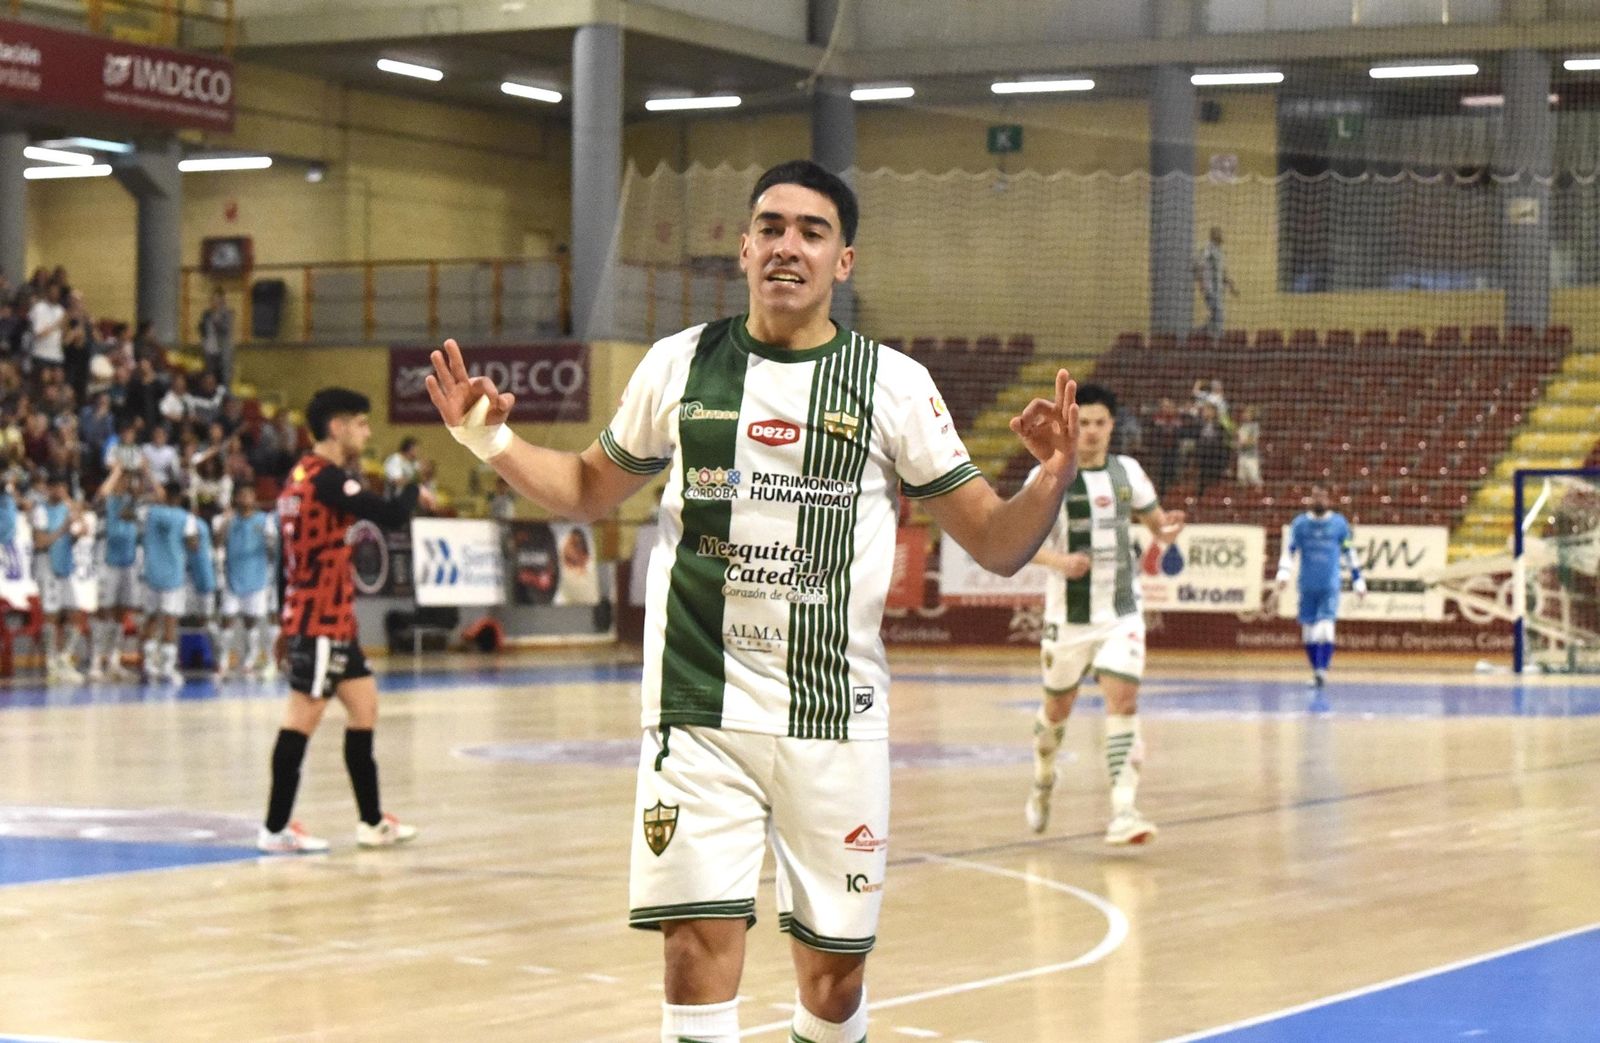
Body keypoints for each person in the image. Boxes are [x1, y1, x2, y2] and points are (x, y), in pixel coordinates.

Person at [426, 159, 1081, 1043]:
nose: (787, 246)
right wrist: (488, 436)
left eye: (812, 232)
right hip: (698, 707)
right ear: (743, 249)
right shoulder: (678, 363)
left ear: (843, 261)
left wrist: (1049, 478)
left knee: (834, 982)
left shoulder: (891, 384)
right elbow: (584, 489)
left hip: (835, 717)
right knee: (694, 953)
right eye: (770, 228)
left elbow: (998, 544)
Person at [259, 387, 433, 854]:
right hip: (319, 622)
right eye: (360, 423)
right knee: (301, 718)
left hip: (330, 621)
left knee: (364, 707)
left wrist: (284, 620)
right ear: (336, 428)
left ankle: (371, 822)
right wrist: (414, 488)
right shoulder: (327, 479)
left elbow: (285, 562)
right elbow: (392, 515)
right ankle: (275, 829)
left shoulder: (299, 475)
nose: (367, 432)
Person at [1024, 383, 1185, 846]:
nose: (1092, 432)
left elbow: (1157, 527)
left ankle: (1124, 810)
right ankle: (1043, 777)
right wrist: (1061, 562)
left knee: (1124, 703)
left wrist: (1169, 531)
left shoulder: (1128, 472)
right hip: (1068, 619)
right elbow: (1022, 544)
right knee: (1056, 713)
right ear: (1072, 427)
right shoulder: (1047, 475)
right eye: (1085, 423)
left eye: (1100, 423)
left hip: (1121, 612)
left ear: (1112, 426)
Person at [1276, 484, 1366, 692]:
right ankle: (1317, 671)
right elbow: (1289, 551)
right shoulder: (1300, 524)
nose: (1319, 500)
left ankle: (1322, 671)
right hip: (1307, 585)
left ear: (1329, 500)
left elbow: (1349, 552)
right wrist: (1283, 573)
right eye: (1316, 496)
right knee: (1308, 633)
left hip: (1329, 585)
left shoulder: (1339, 524)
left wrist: (1358, 579)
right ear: (1310, 499)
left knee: (1324, 628)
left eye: (1323, 497)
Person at [140, 479, 199, 685]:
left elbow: (128, 515)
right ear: (179, 497)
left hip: (151, 574)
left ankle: (149, 668)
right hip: (173, 576)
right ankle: (166, 669)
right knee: (170, 622)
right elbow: (194, 545)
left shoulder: (149, 513)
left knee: (150, 619)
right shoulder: (186, 517)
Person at [214, 485, 277, 679]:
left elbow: (273, 548)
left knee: (252, 621)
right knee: (227, 620)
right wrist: (226, 522)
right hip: (232, 578)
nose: (245, 498)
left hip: (257, 577)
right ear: (236, 498)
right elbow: (217, 543)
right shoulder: (228, 520)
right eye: (241, 495)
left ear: (254, 498)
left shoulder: (264, 520)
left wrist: (268, 541)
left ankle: (250, 660)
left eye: (249, 495)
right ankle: (223, 661)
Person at [91, 460, 144, 680]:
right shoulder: (109, 502)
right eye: (123, 479)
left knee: (122, 612)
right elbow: (101, 495)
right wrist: (116, 472)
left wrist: (145, 473)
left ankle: (114, 660)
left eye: (128, 480)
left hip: (129, 563)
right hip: (108, 562)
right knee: (104, 611)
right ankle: (96, 661)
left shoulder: (135, 504)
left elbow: (160, 495)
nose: (126, 483)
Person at [1192, 225, 1239, 338]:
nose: (1221, 236)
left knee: (1216, 315)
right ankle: (1219, 337)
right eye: (1218, 233)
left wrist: (1231, 286)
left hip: (1219, 290)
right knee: (1219, 313)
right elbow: (1199, 265)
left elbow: (1222, 272)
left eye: (1221, 233)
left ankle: (1199, 331)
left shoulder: (1220, 252)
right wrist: (1201, 283)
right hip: (1210, 289)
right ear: (1213, 235)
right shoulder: (1207, 249)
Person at [199, 287, 236, 388]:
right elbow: (202, 328)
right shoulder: (206, 314)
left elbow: (226, 329)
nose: (214, 302)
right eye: (212, 299)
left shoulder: (228, 313)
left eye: (217, 299)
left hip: (222, 351)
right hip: (209, 351)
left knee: (224, 379)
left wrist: (217, 320)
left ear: (222, 300)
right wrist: (204, 341)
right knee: (210, 378)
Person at [1235, 404, 1262, 488]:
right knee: (1241, 479)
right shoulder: (1242, 426)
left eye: (1247, 413)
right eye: (1245, 412)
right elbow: (1238, 438)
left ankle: (1259, 492)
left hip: (1251, 457)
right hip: (1241, 455)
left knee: (1254, 478)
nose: (1245, 414)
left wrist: (1243, 443)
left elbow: (1253, 440)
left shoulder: (1255, 426)